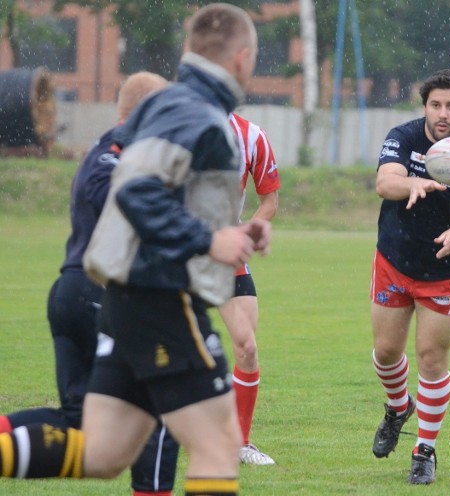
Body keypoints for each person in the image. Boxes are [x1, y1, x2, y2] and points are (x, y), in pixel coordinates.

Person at [0, 5, 269, 496]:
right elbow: (137, 190)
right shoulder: (198, 113)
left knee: (104, 452)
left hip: (126, 298)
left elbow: (154, 185)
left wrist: (234, 231)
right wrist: (209, 239)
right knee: (218, 442)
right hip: (162, 297)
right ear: (242, 58)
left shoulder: (164, 105)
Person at [0, 71, 179, 496]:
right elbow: (109, 193)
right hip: (94, 296)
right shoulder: (118, 145)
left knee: (80, 421)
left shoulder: (123, 147)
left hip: (75, 294)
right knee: (165, 402)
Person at [369, 68, 450, 485]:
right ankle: (396, 406)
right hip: (395, 257)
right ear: (425, 106)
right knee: (387, 352)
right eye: (435, 105)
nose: (443, 114)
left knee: (430, 357)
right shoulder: (403, 137)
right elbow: (385, 182)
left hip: (445, 266)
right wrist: (414, 184)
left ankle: (424, 450)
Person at [224, 112, 280, 465]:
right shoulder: (175, 124)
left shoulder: (251, 136)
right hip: (177, 251)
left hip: (226, 253)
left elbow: (270, 199)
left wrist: (245, 233)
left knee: (246, 346)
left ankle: (238, 443)